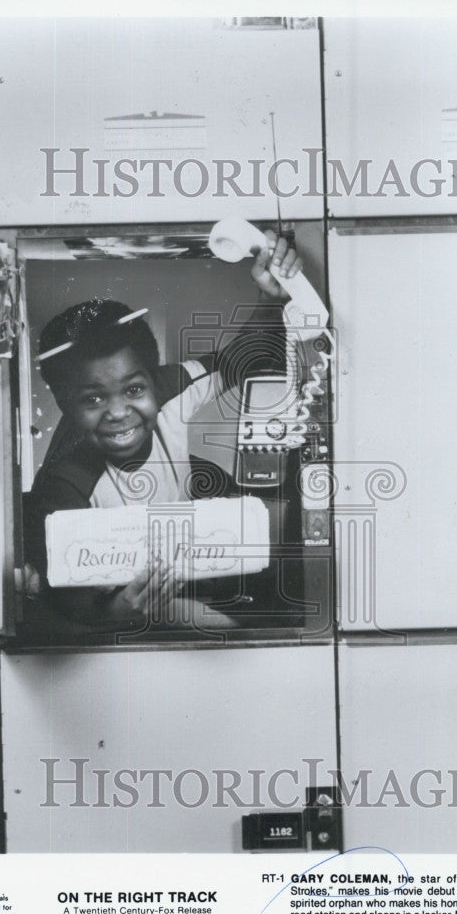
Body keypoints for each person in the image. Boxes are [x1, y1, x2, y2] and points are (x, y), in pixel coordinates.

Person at [23, 232, 306, 627]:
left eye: (134, 389)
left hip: (187, 578)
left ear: (152, 381)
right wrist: (110, 614)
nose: (119, 412)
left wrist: (271, 297)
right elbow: (61, 608)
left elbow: (240, 358)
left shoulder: (169, 388)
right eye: (93, 400)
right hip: (126, 616)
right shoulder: (64, 486)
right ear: (64, 404)